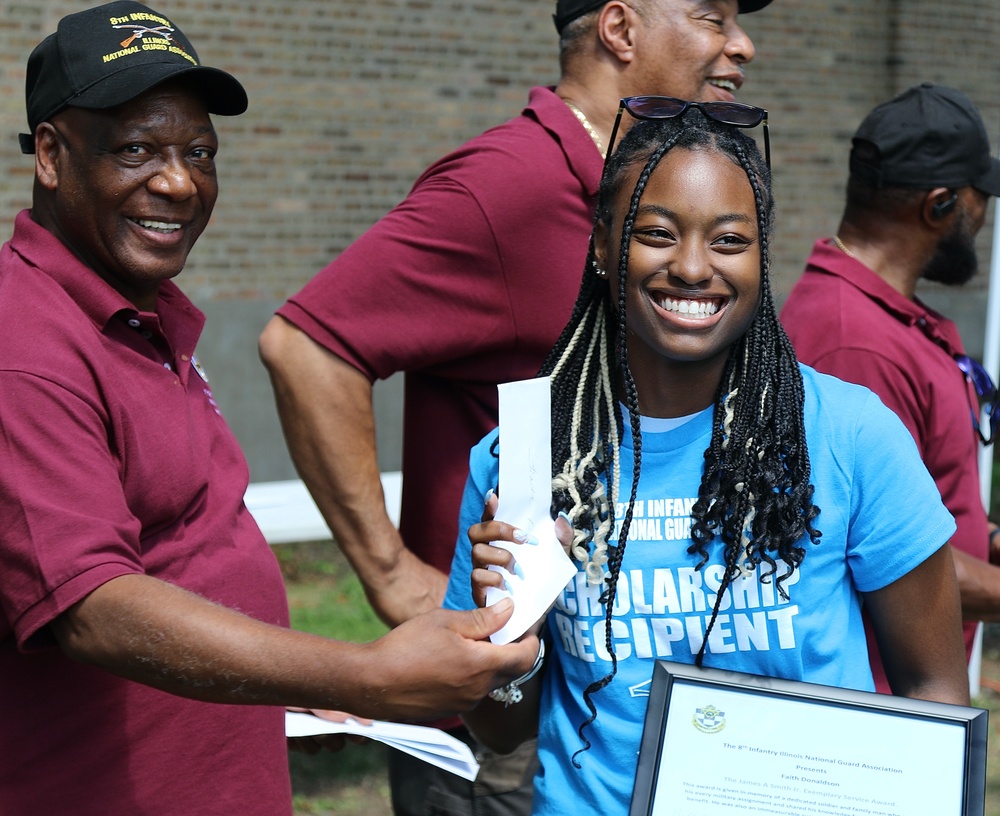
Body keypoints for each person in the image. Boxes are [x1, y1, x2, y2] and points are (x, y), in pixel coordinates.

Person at [0, 4, 539, 815]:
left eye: (199, 153)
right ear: (51, 153)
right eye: (137, 149)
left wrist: (293, 672)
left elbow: (186, 549)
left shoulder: (141, 316)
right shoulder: (25, 342)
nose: (178, 182)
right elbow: (93, 607)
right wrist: (357, 671)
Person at [258, 1, 772, 811]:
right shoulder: (511, 183)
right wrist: (393, 575)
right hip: (501, 716)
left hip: (624, 692)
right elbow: (307, 347)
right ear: (620, 29)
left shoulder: (657, 193)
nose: (740, 44)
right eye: (711, 16)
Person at [444, 103, 970, 816]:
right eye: (656, 234)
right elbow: (501, 728)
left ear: (760, 257)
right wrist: (513, 625)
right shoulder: (530, 455)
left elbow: (935, 690)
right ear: (602, 246)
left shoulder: (849, 436)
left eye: (729, 240)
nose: (692, 268)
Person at [780, 83, 1000, 693]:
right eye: (980, 200)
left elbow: (926, 503)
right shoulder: (853, 343)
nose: (983, 219)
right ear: (941, 205)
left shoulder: (888, 317)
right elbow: (876, 548)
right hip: (882, 706)